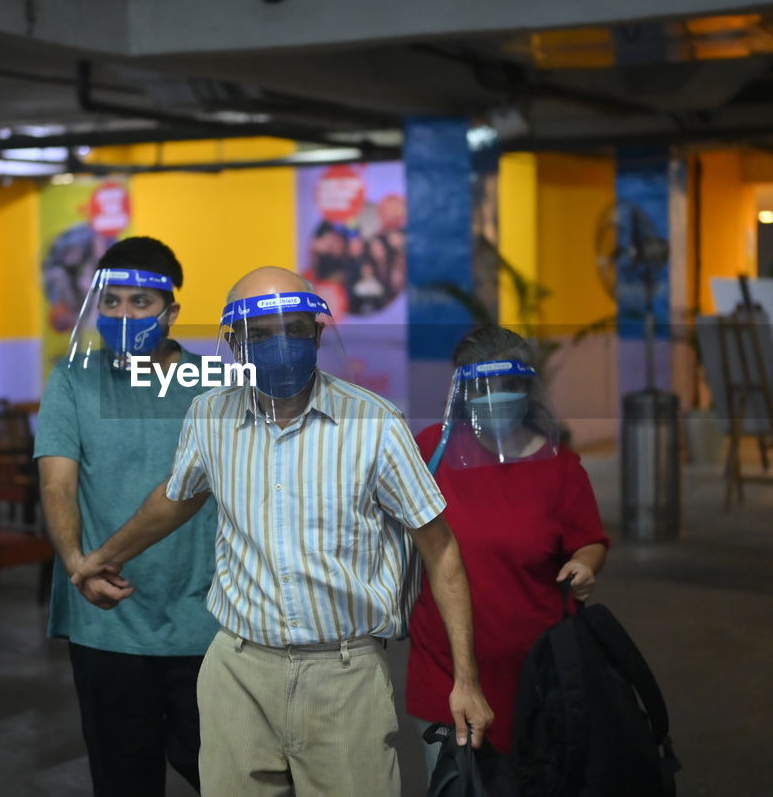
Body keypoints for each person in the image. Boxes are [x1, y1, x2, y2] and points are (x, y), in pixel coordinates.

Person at [71, 266, 493, 796]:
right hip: (237, 669)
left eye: (296, 329)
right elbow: (176, 498)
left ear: (318, 334)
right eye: (261, 334)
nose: (282, 345)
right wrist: (103, 557)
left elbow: (441, 549)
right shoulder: (209, 416)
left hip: (344, 674)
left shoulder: (375, 424)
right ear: (234, 342)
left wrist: (466, 680)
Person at [35, 237, 219, 796]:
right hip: (104, 620)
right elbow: (57, 482)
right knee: (122, 780)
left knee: (221, 774)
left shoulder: (211, 387)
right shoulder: (72, 379)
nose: (123, 314)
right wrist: (78, 565)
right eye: (110, 302)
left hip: (204, 620)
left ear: (171, 311)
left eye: (141, 302)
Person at [406, 326, 609, 772]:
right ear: (461, 392)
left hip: (539, 677)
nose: (495, 400)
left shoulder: (560, 467)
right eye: (483, 389)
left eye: (508, 388)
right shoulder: (430, 453)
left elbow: (589, 539)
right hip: (444, 673)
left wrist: (583, 563)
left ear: (527, 389)